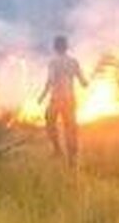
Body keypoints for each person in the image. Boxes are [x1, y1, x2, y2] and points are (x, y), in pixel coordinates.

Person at [37, 35, 88, 168]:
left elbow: (50, 80)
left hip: (56, 99)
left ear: (55, 47)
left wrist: (42, 96)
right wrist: (86, 83)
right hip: (70, 99)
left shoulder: (53, 62)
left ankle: (57, 150)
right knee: (70, 128)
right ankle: (72, 159)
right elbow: (83, 82)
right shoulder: (74, 62)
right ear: (66, 47)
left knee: (50, 122)